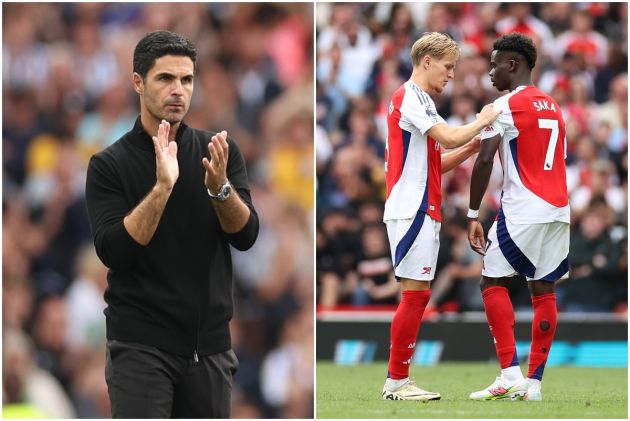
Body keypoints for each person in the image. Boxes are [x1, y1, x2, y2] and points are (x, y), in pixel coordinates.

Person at [85, 31, 259, 418]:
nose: (178, 90)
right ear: (138, 83)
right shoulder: (108, 165)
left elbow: (246, 235)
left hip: (210, 348)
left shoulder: (218, 152)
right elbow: (115, 250)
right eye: (165, 78)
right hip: (140, 348)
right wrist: (163, 187)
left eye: (187, 79)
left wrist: (220, 190)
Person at [381, 32, 501, 401]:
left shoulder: (423, 104)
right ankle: (397, 381)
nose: (451, 75)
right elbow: (446, 139)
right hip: (411, 207)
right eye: (448, 67)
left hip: (422, 204)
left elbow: (436, 160)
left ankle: (399, 379)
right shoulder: (410, 97)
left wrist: (471, 148)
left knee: (418, 293)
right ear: (427, 61)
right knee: (414, 294)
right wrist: (482, 120)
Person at [467, 33, 569, 402]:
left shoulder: (505, 105)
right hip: (559, 208)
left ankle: (510, 373)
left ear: (512, 64)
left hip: (524, 206)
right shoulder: (553, 105)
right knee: (543, 289)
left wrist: (471, 213)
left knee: (491, 280)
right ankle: (535, 385)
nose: (490, 72)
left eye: (494, 64)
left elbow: (483, 159)